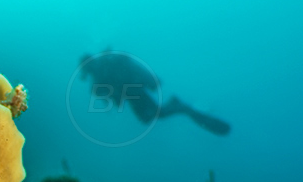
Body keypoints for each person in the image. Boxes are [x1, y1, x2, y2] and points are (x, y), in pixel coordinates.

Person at [79, 52, 231, 136]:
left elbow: (111, 95)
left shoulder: (100, 71)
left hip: (135, 91)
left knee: (153, 115)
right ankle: (177, 105)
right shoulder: (104, 67)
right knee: (149, 117)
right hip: (135, 90)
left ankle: (178, 105)